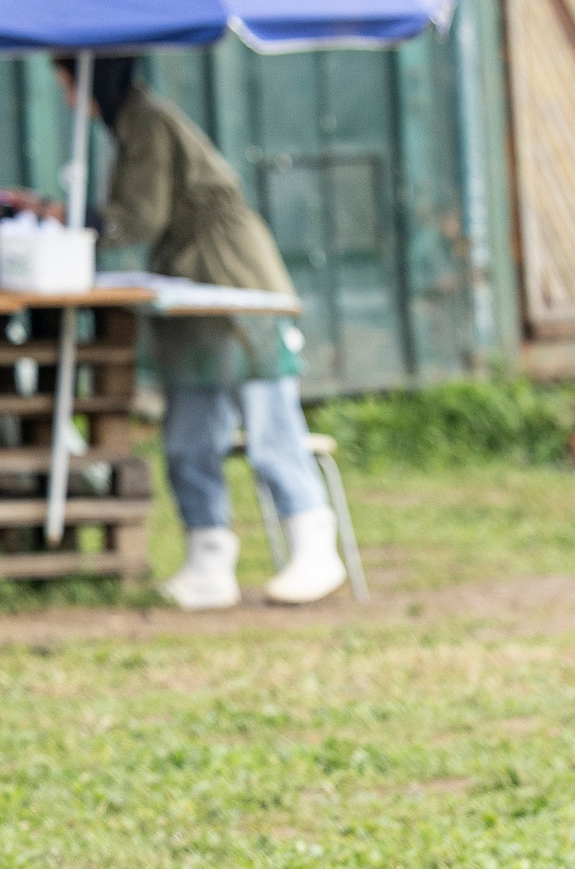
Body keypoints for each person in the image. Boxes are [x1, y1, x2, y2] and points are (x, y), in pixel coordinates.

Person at [34, 56, 345, 610]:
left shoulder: (148, 122)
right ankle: (209, 557)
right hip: (188, 286)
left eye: (65, 82)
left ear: (90, 78)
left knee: (268, 418)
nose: (64, 96)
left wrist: (74, 217)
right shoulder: (129, 124)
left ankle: (314, 545)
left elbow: (141, 217)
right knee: (192, 429)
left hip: (233, 278)